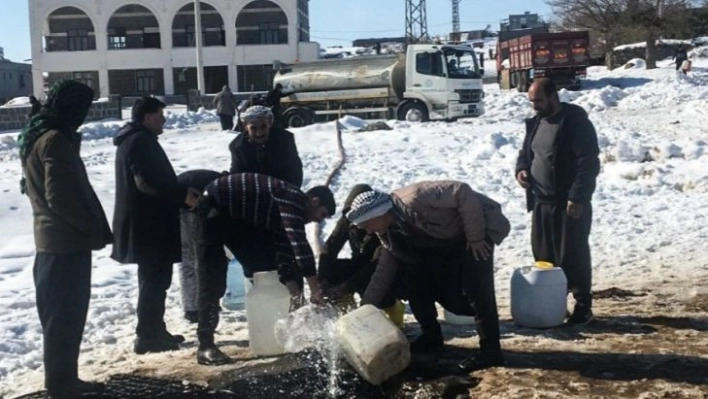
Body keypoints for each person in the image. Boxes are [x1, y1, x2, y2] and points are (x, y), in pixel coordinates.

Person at [346, 181, 510, 372]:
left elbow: (462, 191)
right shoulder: (389, 232)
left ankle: (491, 353)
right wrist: (364, 310)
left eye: (367, 225)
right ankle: (431, 336)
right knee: (415, 278)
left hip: (476, 228)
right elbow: (384, 271)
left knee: (478, 289)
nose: (368, 231)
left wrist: (476, 237)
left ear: (378, 213)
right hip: (447, 240)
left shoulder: (414, 198)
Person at [18, 80, 112, 398]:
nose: (84, 116)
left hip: (51, 242)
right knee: (65, 317)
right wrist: (89, 228)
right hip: (65, 244)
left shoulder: (38, 134)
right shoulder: (55, 139)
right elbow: (60, 197)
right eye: (82, 109)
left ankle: (64, 379)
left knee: (60, 316)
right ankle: (61, 384)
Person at [194, 173, 335, 365]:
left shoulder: (286, 211)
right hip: (212, 208)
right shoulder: (292, 199)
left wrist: (293, 287)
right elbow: (300, 245)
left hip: (238, 217)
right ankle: (205, 345)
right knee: (212, 278)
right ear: (314, 201)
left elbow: (284, 247)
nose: (318, 221)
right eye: (322, 215)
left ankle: (269, 335)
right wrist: (315, 288)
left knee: (261, 269)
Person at [112, 96, 200, 354]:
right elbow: (147, 182)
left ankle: (154, 329)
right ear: (148, 117)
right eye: (160, 114)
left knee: (155, 280)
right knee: (154, 280)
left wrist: (181, 190)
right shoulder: (139, 141)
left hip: (147, 224)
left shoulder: (137, 139)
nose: (164, 119)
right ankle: (148, 335)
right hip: (148, 226)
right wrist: (181, 196)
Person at [515, 78, 600, 325]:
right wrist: (521, 169)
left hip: (568, 203)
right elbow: (526, 153)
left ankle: (583, 307)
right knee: (544, 255)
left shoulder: (575, 122)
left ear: (553, 96)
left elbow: (588, 162)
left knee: (572, 254)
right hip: (542, 201)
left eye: (538, 101)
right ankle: (554, 303)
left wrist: (577, 196)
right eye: (531, 101)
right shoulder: (535, 123)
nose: (534, 106)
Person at [177, 169, 224, 323]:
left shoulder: (218, 183)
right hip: (184, 207)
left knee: (194, 258)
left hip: (187, 202)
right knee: (191, 258)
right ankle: (192, 308)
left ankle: (199, 304)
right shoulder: (222, 188)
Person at [229, 105, 303, 186]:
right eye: (253, 128)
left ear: (270, 123)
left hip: (281, 188)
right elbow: (237, 174)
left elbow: (294, 172)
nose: (259, 132)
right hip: (253, 190)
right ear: (245, 126)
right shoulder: (237, 146)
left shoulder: (284, 140)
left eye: (263, 126)